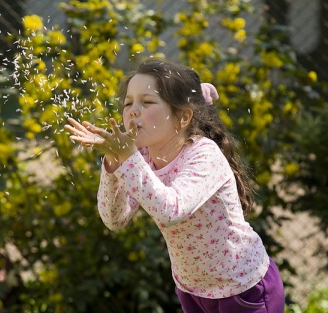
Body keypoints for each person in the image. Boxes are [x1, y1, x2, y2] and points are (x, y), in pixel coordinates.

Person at [64, 58, 285, 312]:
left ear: (182, 117)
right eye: (128, 103)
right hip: (192, 291)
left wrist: (129, 159)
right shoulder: (142, 157)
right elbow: (115, 219)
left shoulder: (204, 154)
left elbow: (171, 210)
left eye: (146, 102)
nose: (133, 110)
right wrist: (114, 164)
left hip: (244, 288)